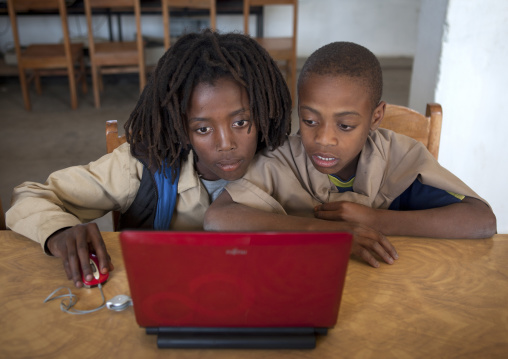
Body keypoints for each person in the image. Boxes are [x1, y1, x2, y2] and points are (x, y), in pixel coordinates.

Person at [5, 30, 293, 288]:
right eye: (202, 128)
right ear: (179, 125)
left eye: (241, 122)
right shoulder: (144, 167)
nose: (226, 144)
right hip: (166, 298)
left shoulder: (287, 163)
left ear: (264, 110)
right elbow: (32, 196)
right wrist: (60, 232)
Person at [204, 41, 497, 268]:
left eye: (345, 125)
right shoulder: (283, 159)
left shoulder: (398, 159)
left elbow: (481, 220)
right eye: (309, 120)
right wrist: (323, 231)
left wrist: (376, 220)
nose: (324, 139)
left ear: (376, 116)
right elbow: (218, 218)